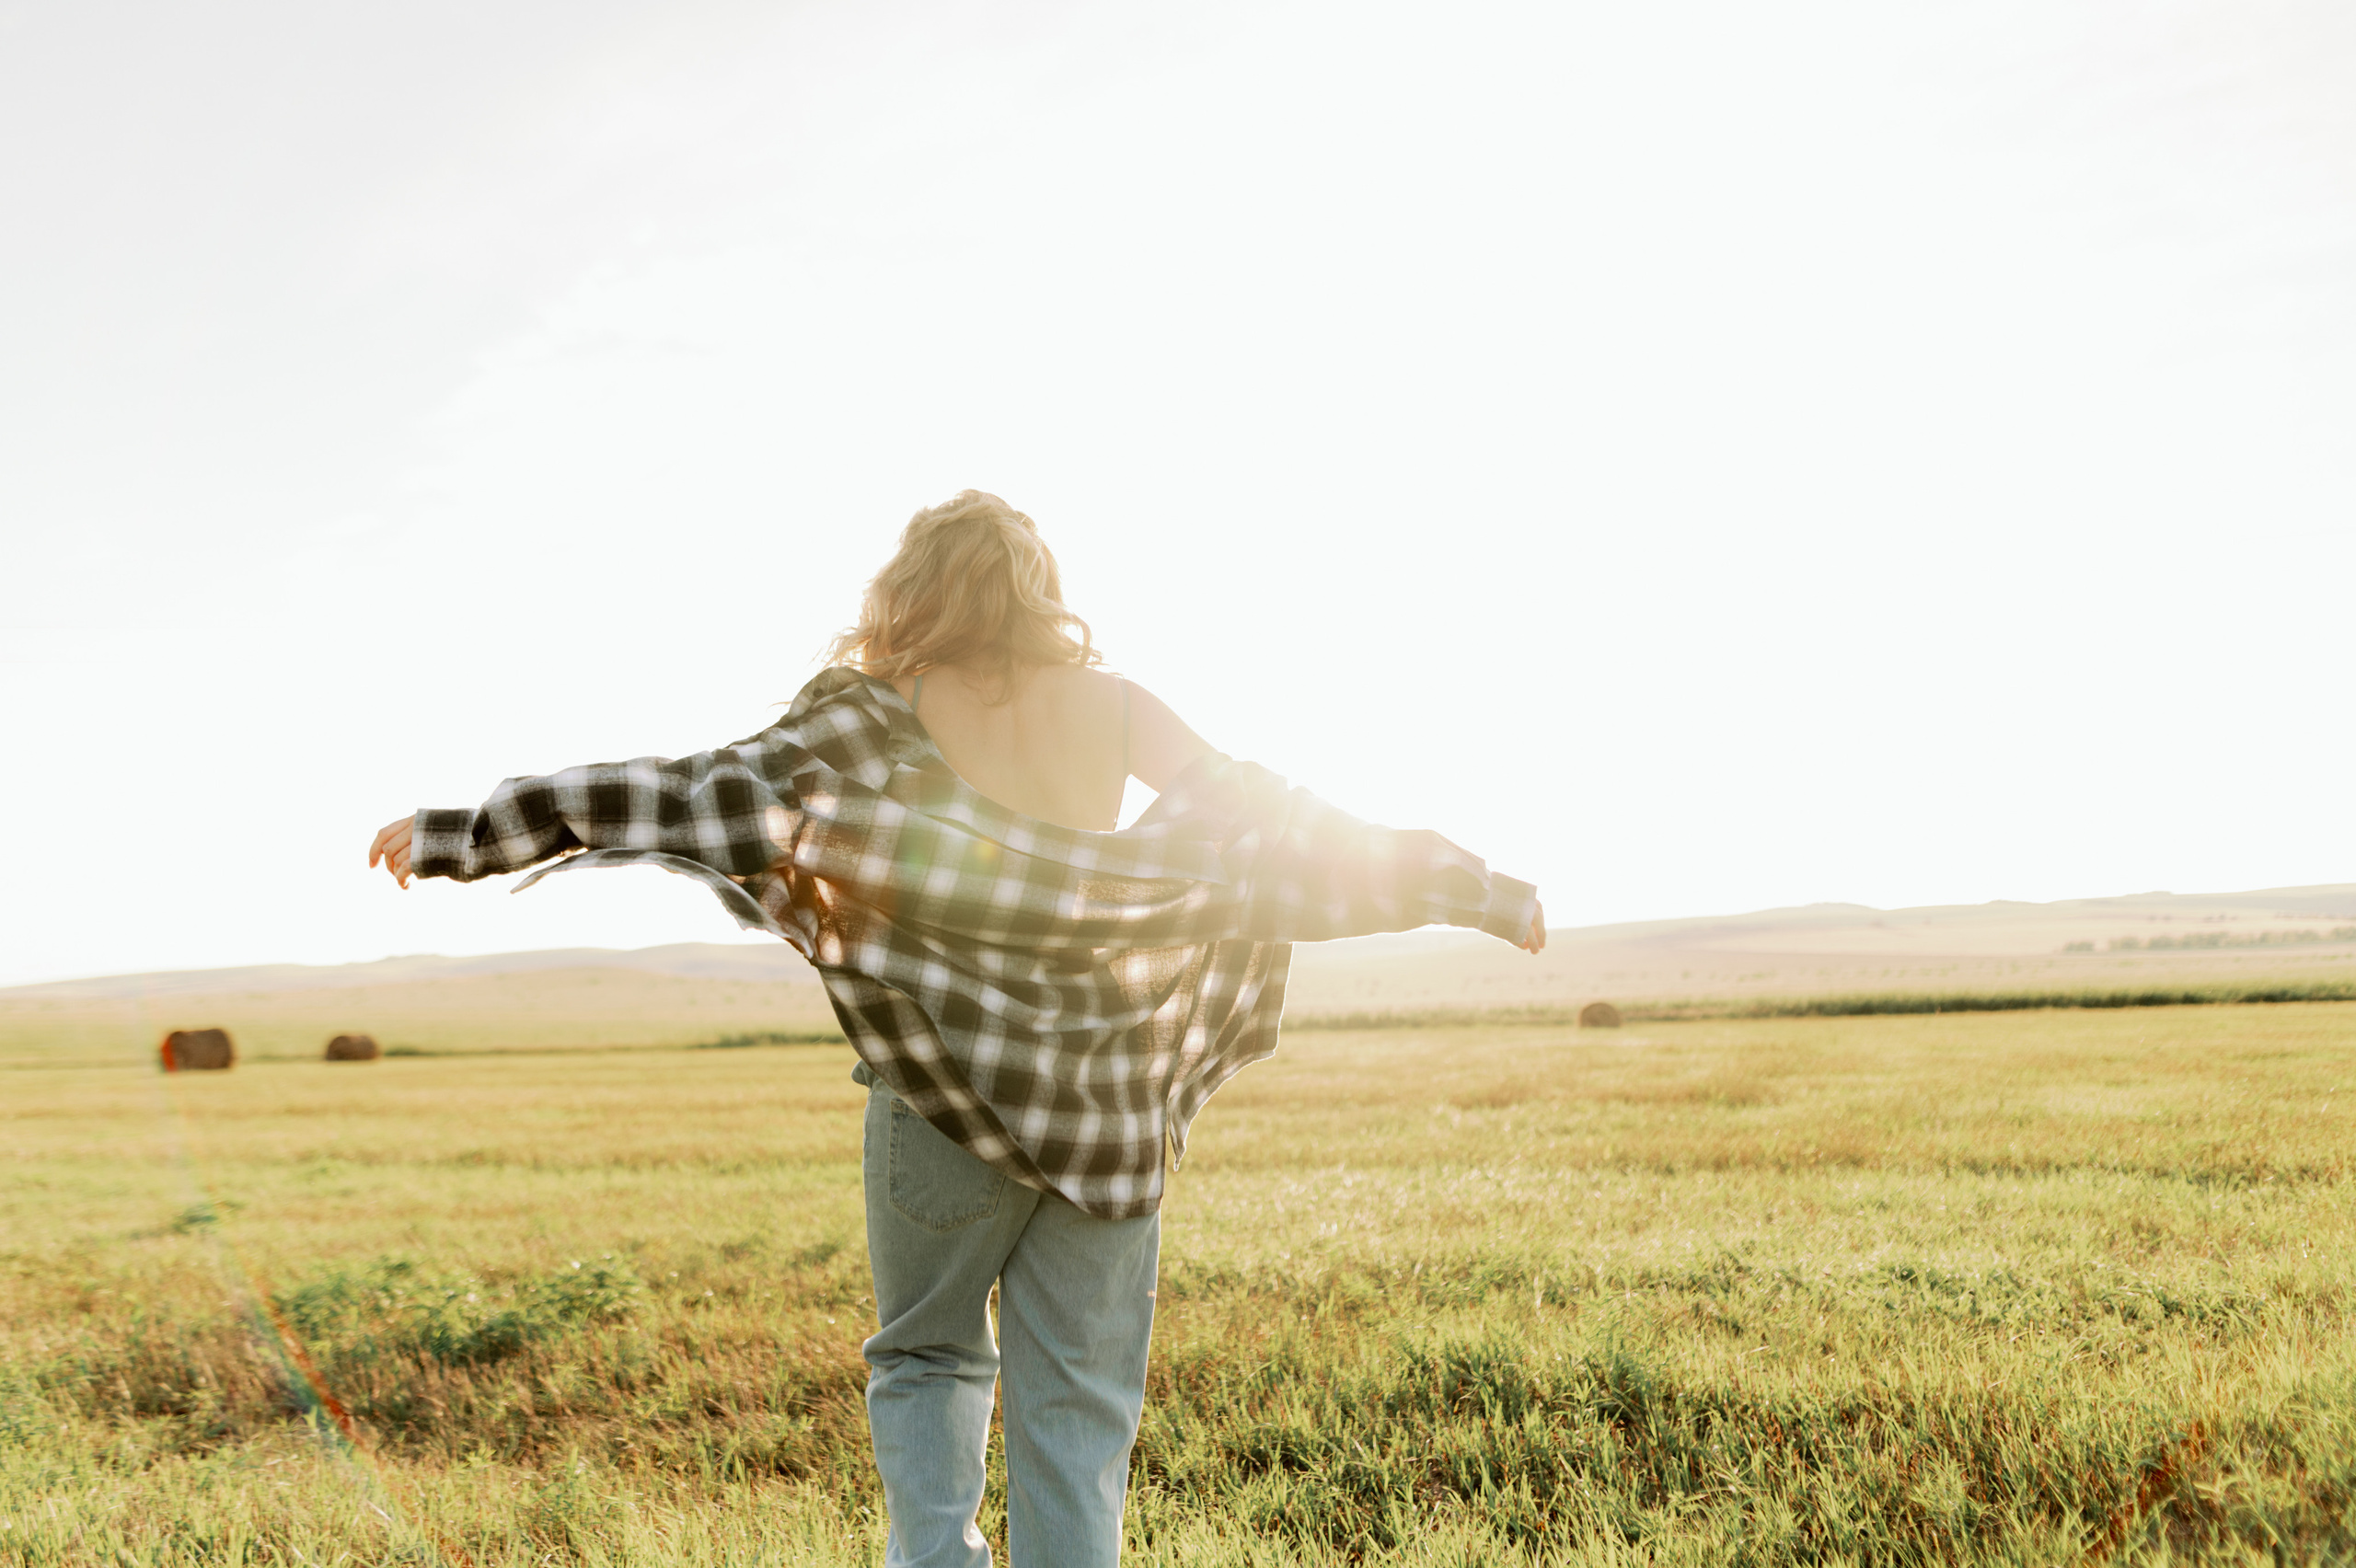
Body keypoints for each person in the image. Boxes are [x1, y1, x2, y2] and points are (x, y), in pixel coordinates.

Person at [368, 490, 1543, 1568]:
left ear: (911, 590)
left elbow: (685, 791)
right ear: (1039, 587)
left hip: (943, 1103)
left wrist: (466, 834)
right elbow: (1282, 824)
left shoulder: (876, 716)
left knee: (928, 1358)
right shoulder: (1120, 707)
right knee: (1078, 1404)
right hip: (1107, 1109)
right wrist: (1473, 888)